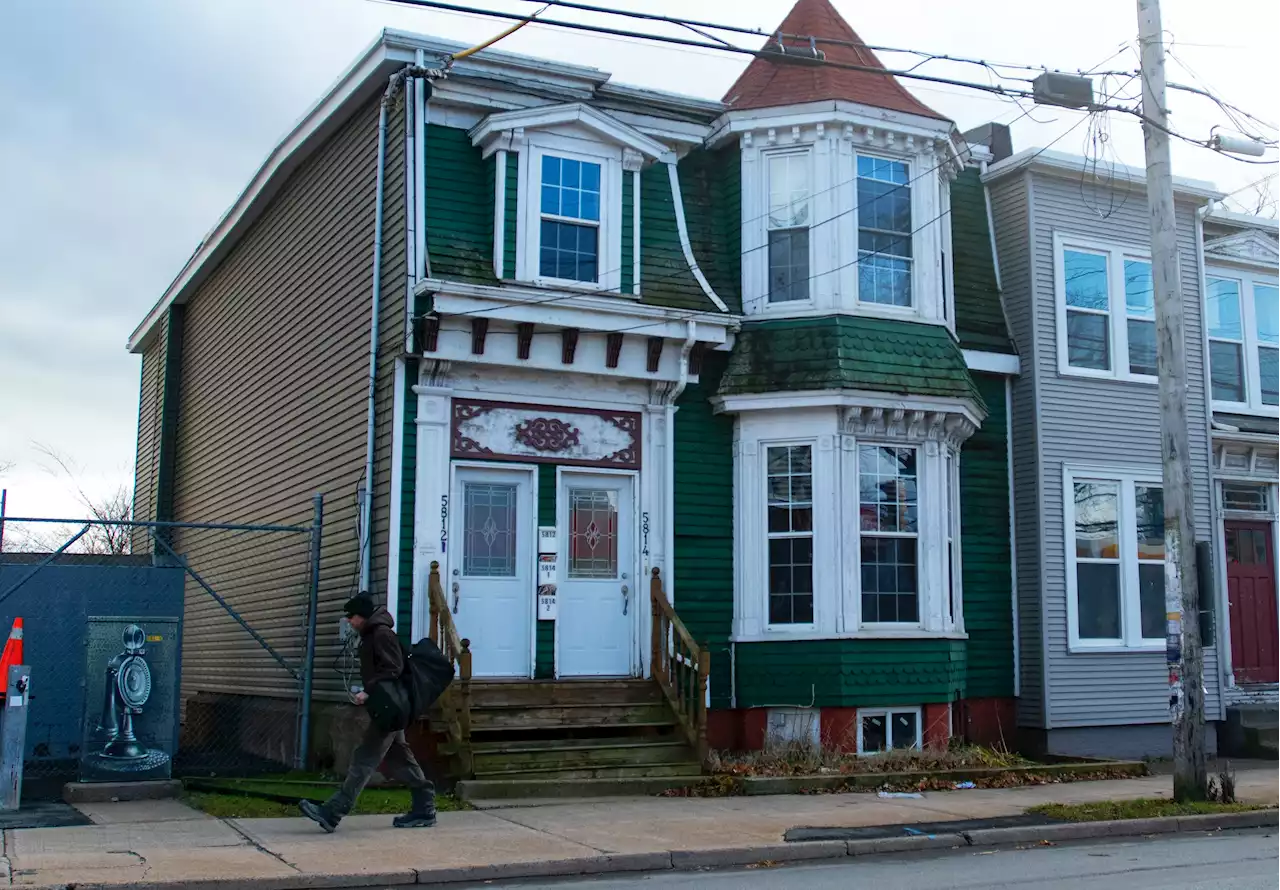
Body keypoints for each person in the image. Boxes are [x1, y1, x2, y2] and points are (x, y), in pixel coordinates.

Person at [299, 593, 436, 832]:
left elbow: (393, 669)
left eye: (351, 616)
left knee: (364, 759)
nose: (349, 621)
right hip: (389, 707)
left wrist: (369, 692)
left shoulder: (381, 634)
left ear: (362, 616)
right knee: (400, 757)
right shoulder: (372, 635)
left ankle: (332, 812)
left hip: (390, 708)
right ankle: (425, 809)